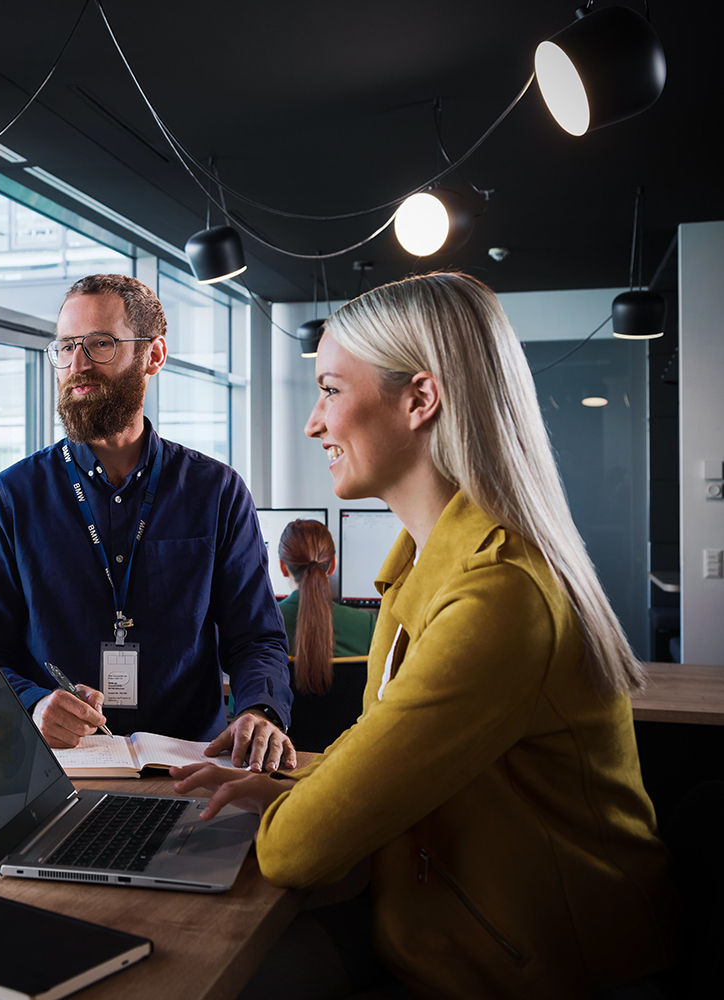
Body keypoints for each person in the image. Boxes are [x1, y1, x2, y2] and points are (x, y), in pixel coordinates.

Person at [172, 273, 674, 998]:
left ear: (420, 399)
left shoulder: (498, 595)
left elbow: (295, 850)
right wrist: (272, 784)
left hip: (549, 973)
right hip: (447, 935)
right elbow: (377, 754)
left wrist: (279, 807)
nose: (314, 423)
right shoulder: (417, 566)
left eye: (331, 391)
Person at [0, 273, 295, 772]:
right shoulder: (10, 499)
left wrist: (260, 711)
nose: (77, 365)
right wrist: (32, 704)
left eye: (99, 344)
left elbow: (256, 637)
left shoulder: (217, 492)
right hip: (57, 773)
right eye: (68, 346)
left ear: (153, 356)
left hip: (192, 770)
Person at [276, 518, 375, 752]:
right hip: (347, 761)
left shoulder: (264, 623)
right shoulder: (369, 624)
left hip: (280, 765)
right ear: (332, 566)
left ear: (282, 567)